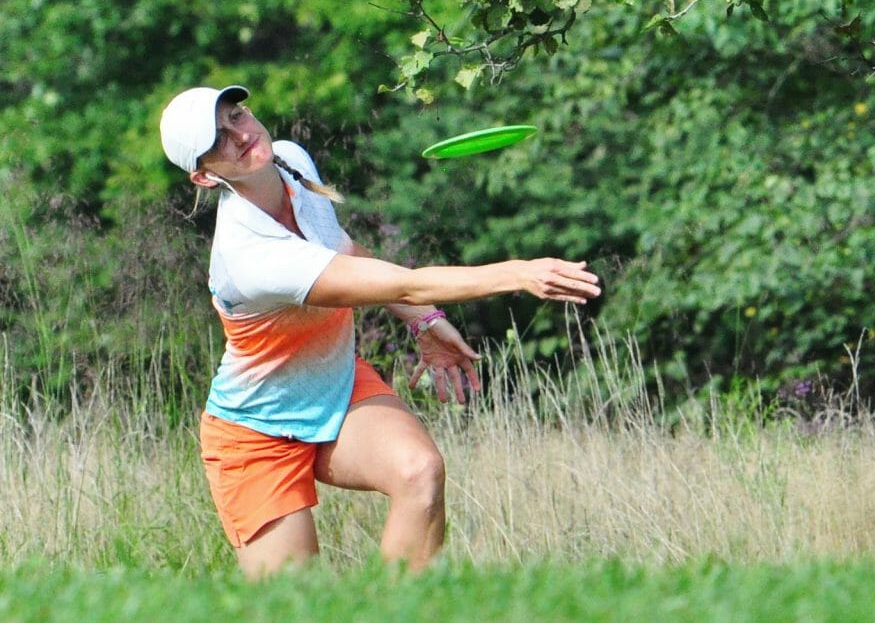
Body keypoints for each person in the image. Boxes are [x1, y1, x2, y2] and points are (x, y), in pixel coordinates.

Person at [158, 85, 601, 579]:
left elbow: (343, 249)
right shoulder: (251, 257)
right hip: (256, 433)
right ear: (204, 175)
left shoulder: (290, 160)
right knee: (295, 608)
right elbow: (404, 285)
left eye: (237, 114)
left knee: (420, 473)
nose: (240, 134)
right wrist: (518, 273)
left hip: (337, 386)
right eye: (218, 140)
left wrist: (426, 322)